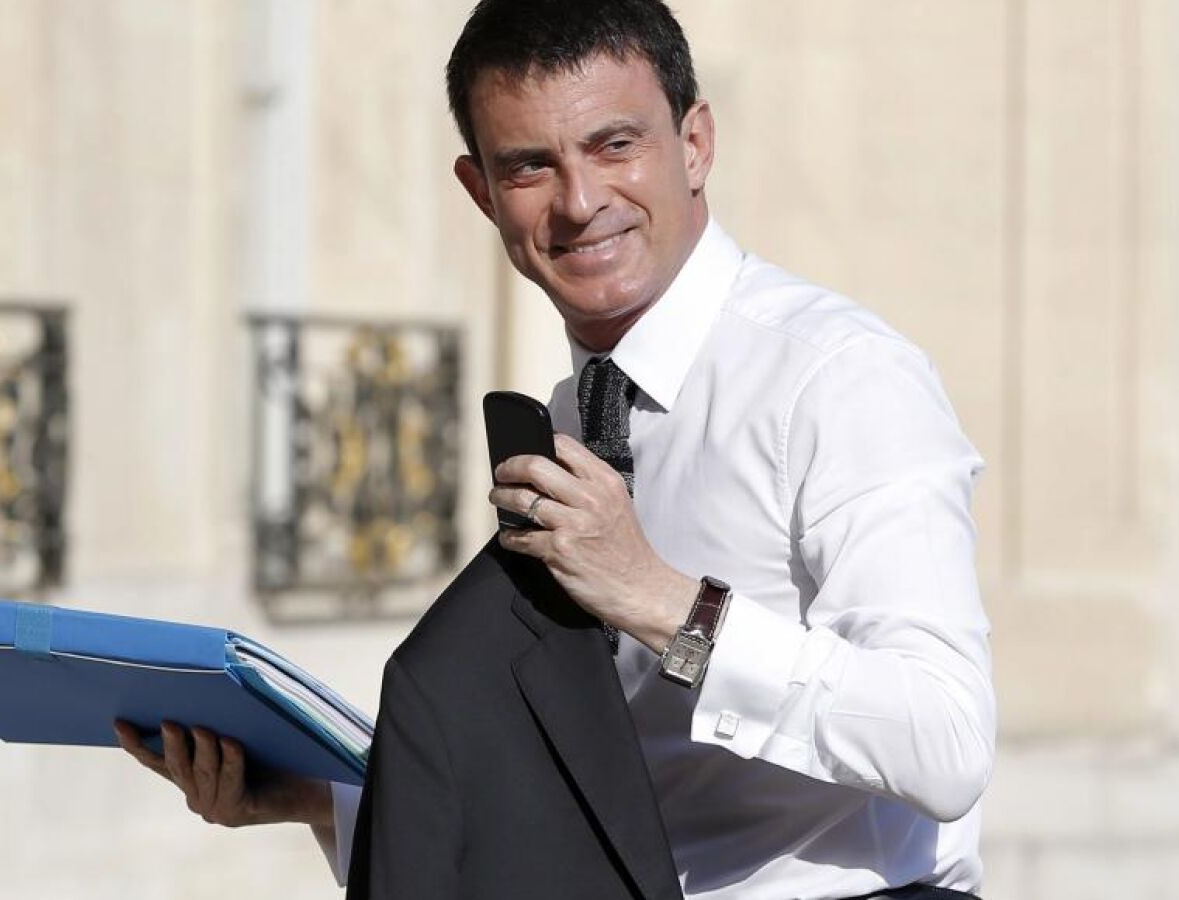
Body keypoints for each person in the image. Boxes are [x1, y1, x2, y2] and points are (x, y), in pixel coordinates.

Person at [118, 1, 996, 897]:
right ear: (481, 192)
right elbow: (604, 789)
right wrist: (319, 798)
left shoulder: (838, 379)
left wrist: (662, 601)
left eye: (616, 146)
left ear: (695, 144)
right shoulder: (570, 417)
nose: (579, 202)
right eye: (530, 166)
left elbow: (948, 742)